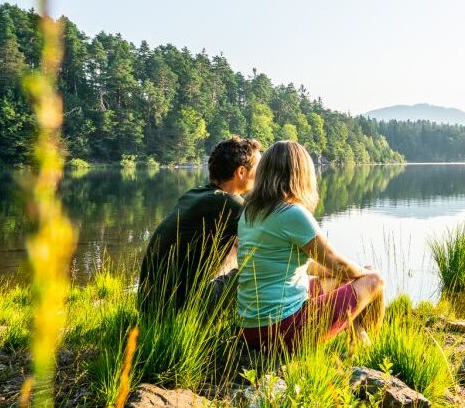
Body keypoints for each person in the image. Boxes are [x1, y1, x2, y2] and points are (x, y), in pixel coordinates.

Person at [236, 140, 385, 352]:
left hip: (250, 330)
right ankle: (373, 349)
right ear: (301, 173)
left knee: (340, 279)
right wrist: (364, 273)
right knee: (374, 280)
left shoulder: (250, 212)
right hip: (283, 331)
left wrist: (345, 275)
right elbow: (337, 262)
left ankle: (359, 341)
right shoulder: (291, 213)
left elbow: (303, 265)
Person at [137, 136, 263, 317]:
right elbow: (271, 242)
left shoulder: (195, 194)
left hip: (150, 306)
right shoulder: (229, 203)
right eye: (259, 168)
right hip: (177, 310)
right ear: (241, 171)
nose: (262, 173)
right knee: (265, 269)